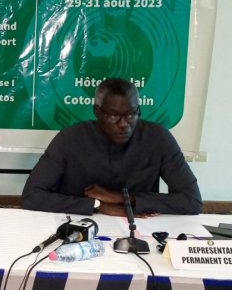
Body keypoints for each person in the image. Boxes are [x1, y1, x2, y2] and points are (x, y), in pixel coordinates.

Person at [21, 78, 202, 216]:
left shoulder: (157, 138)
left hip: (140, 228)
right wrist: (98, 206)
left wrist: (125, 198)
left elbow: (192, 201)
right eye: (114, 116)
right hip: (79, 227)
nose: (123, 124)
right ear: (97, 112)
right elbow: (31, 196)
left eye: (131, 115)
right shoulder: (70, 138)